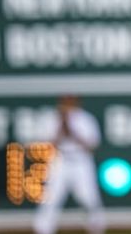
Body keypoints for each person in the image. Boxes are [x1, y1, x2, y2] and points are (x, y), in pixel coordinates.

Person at [34, 95, 105, 234]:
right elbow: (47, 145)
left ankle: (96, 228)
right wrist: (62, 127)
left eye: (70, 100)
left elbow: (92, 145)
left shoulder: (85, 119)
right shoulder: (52, 119)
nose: (67, 104)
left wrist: (72, 132)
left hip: (81, 160)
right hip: (59, 160)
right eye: (65, 101)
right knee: (51, 199)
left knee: (88, 198)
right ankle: (43, 229)